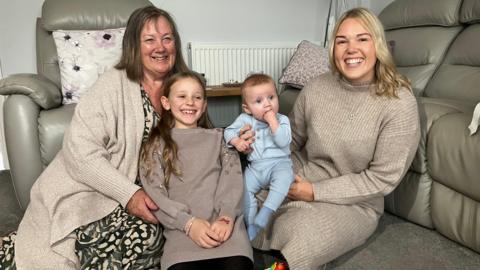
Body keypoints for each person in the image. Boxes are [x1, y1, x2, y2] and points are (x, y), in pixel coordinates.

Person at [0, 6, 190, 269]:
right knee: (147, 238)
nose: (161, 47)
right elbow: (79, 152)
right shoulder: (112, 85)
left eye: (167, 38)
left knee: (178, 236)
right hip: (97, 188)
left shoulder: (184, 86)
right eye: (150, 40)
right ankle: (15, 248)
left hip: (155, 191)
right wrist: (129, 194)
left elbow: (201, 140)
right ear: (134, 45)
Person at [248, 7, 421, 269]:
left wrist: (314, 192)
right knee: (241, 198)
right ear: (333, 49)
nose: (351, 48)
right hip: (300, 176)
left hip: (354, 203)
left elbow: (381, 179)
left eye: (362, 39)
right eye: (342, 41)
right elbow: (292, 140)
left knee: (301, 233)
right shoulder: (316, 87)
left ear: (378, 46)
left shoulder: (399, 103)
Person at [139, 71, 253, 270]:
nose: (190, 102)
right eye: (182, 96)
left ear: (204, 105)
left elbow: (233, 183)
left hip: (226, 231)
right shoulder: (154, 146)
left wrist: (226, 217)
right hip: (182, 234)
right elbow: (155, 195)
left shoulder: (222, 139)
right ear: (166, 103)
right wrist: (189, 224)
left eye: (197, 97)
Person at [224, 74, 293, 241]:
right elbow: (227, 131)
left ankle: (266, 212)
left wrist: (272, 122)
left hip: (279, 163)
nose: (267, 104)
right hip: (255, 167)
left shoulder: (282, 120)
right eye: (259, 101)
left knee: (285, 178)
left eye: (271, 97)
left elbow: (283, 140)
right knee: (244, 189)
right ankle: (251, 224)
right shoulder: (245, 119)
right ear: (247, 108)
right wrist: (237, 140)